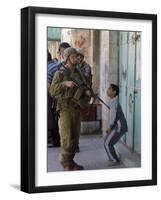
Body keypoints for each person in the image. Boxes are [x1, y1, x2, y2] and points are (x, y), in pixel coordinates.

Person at [50, 47, 91, 171]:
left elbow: (83, 84)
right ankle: (66, 163)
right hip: (65, 108)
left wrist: (87, 91)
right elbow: (52, 90)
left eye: (77, 56)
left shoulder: (78, 71)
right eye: (73, 56)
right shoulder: (60, 73)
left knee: (75, 137)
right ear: (67, 58)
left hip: (76, 108)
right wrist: (64, 84)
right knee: (67, 137)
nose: (76, 58)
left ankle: (71, 160)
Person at [105, 84, 128, 166]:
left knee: (107, 143)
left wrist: (110, 127)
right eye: (108, 88)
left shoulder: (113, 102)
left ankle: (115, 160)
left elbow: (113, 116)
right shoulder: (113, 101)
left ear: (114, 92)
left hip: (120, 126)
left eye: (109, 89)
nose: (107, 90)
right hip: (119, 126)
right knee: (107, 141)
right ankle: (113, 158)